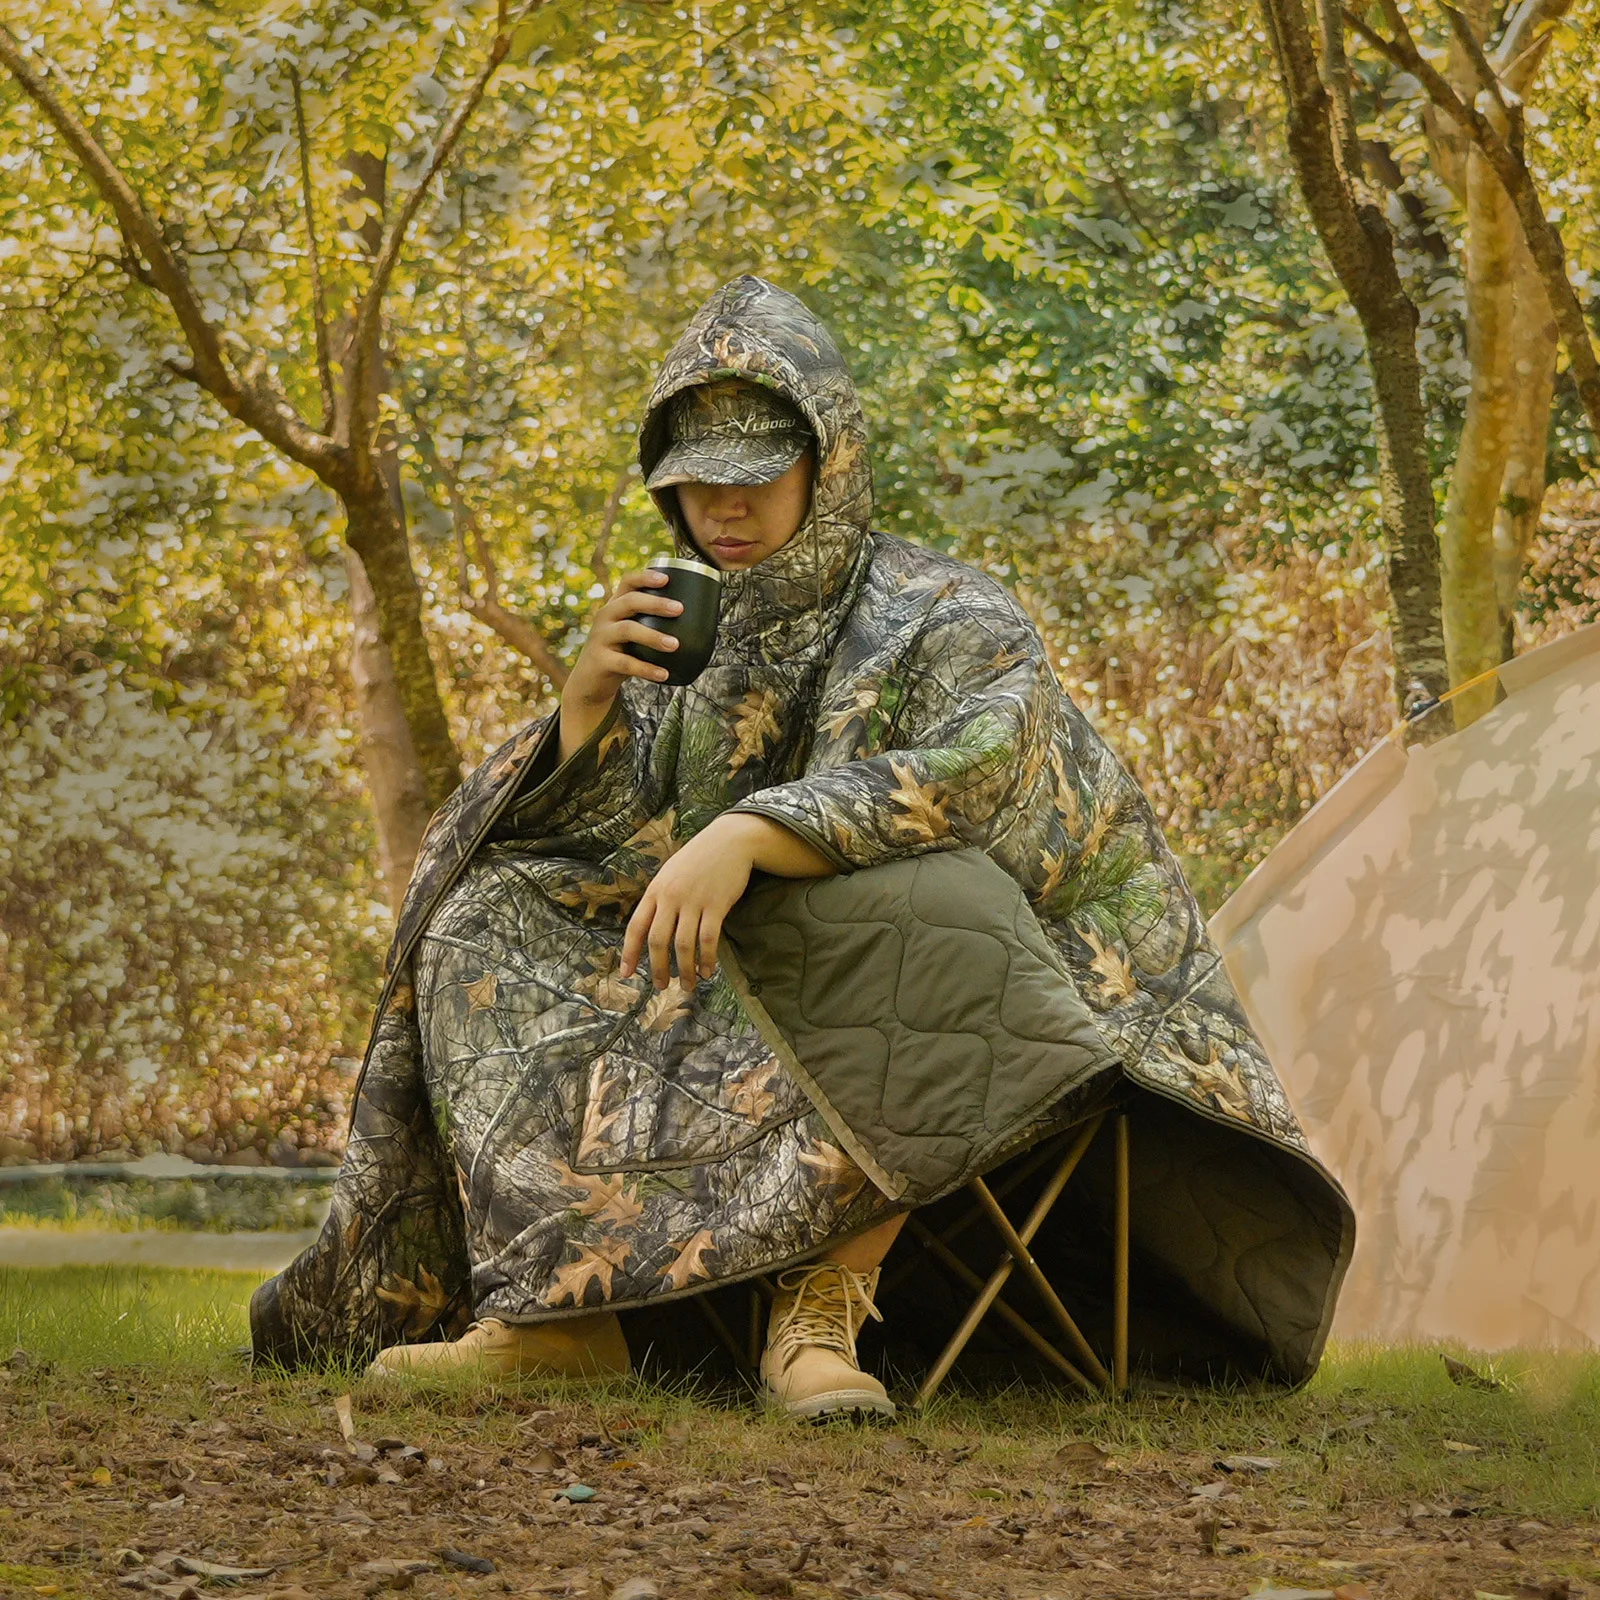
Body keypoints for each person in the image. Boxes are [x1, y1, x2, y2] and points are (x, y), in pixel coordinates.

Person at [250, 277, 1350, 1416]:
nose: (722, 508)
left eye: (754, 475)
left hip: (1024, 993)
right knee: (492, 911)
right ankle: (559, 1315)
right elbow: (603, 852)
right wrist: (583, 709)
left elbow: (981, 776)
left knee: (931, 903)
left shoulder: (949, 610)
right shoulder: (683, 623)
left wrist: (751, 831)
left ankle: (820, 1317)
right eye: (694, 482)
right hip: (754, 981)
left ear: (827, 462)